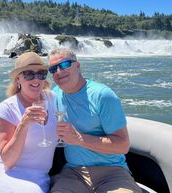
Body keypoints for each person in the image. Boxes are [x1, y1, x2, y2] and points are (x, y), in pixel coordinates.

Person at [48, 48, 142, 193]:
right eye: (53, 69)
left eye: (65, 64)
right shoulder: (55, 95)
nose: (59, 72)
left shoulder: (102, 96)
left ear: (78, 66)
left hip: (112, 172)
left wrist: (79, 139)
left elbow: (123, 145)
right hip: (74, 173)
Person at [0, 52, 57, 193]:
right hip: (4, 171)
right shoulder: (7, 108)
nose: (36, 79)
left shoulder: (52, 99)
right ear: (18, 79)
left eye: (41, 74)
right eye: (29, 74)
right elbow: (8, 161)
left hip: (38, 176)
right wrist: (23, 125)